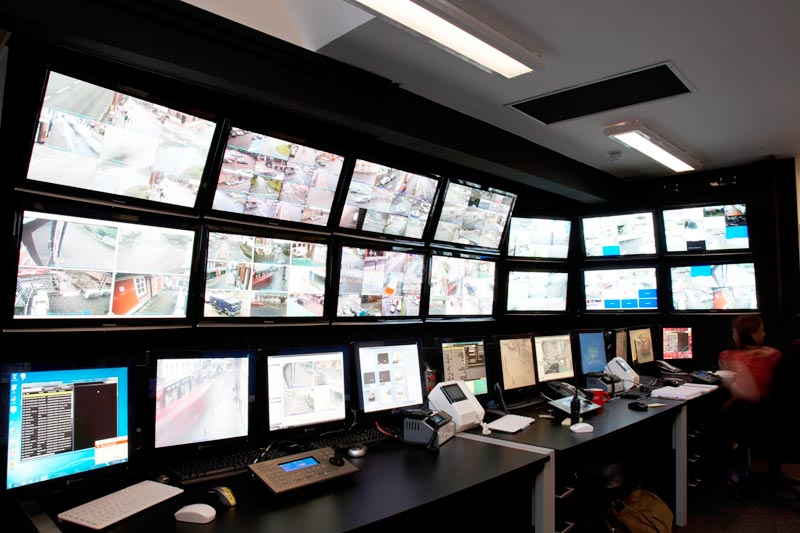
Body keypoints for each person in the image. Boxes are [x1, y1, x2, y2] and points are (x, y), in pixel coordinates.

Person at [717, 314, 782, 492]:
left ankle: (732, 470)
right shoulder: (774, 354)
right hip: (774, 415)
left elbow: (743, 392)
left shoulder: (728, 356)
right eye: (762, 330)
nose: (765, 333)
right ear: (752, 334)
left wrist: (730, 381)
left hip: (748, 415)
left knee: (712, 415)